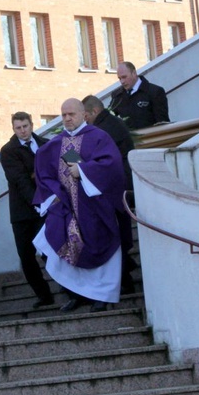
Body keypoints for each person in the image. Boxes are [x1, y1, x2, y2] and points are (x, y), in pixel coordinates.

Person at [33, 98, 125, 313]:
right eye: (64, 114)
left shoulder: (99, 138)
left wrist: (84, 171)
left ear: (83, 114)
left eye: (71, 114)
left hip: (95, 207)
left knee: (102, 247)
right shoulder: (56, 144)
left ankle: (101, 296)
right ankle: (76, 294)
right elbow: (43, 172)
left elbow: (112, 166)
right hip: (67, 208)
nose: (67, 118)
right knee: (50, 242)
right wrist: (53, 194)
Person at [82, 95, 137, 293]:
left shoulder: (102, 131)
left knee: (114, 235)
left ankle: (124, 279)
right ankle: (126, 273)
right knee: (119, 234)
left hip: (113, 190)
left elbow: (91, 159)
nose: (84, 120)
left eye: (84, 115)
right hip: (121, 186)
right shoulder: (112, 124)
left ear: (94, 112)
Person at [0, 112, 54, 309]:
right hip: (23, 212)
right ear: (13, 129)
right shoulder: (8, 151)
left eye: (25, 126)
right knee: (26, 256)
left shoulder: (46, 143)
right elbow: (20, 179)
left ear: (32, 125)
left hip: (47, 207)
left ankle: (71, 289)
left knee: (51, 250)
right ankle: (43, 295)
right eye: (18, 128)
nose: (22, 131)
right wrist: (37, 200)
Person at [109, 61, 169, 130]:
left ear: (134, 73)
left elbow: (162, 122)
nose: (122, 81)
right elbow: (109, 118)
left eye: (124, 77)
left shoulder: (155, 92)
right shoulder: (118, 96)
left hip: (152, 137)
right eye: (119, 78)